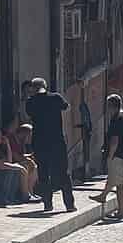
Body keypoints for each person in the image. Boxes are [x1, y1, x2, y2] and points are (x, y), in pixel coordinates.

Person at [25, 78, 76, 212]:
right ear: (45, 86)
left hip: (40, 143)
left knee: (43, 173)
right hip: (57, 142)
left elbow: (29, 114)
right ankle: (69, 205)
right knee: (63, 172)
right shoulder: (55, 98)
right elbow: (67, 107)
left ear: (33, 88)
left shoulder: (30, 102)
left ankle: (47, 204)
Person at [91, 95, 123, 219]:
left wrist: (110, 155)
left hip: (117, 155)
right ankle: (106, 198)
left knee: (118, 183)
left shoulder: (117, 118)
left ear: (111, 106)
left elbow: (115, 139)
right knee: (117, 181)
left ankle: (119, 209)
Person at [3, 116, 38, 196]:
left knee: (35, 167)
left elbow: (21, 155)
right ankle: (25, 193)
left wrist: (30, 156)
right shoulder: (12, 139)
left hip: (18, 161)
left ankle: (30, 190)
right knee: (26, 165)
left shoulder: (22, 142)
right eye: (29, 135)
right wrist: (27, 159)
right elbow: (16, 156)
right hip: (10, 162)